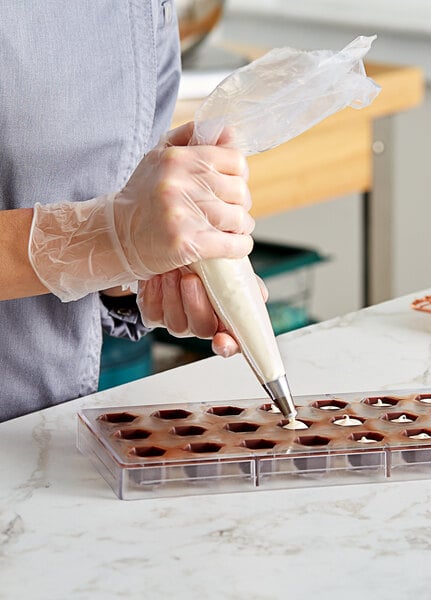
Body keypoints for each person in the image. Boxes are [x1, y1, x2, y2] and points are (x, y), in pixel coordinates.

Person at [0, 2, 254, 421]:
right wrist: (100, 238)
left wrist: (148, 262)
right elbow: (106, 230)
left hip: (45, 423)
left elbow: (116, 204)